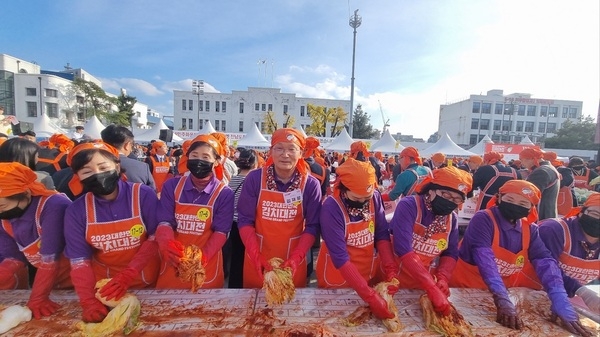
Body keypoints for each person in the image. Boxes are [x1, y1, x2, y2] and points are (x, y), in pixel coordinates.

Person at [450, 180, 591, 336]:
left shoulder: (529, 228)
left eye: (523, 202)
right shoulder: (484, 219)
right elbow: (485, 258)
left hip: (497, 296)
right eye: (509, 199)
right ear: (498, 198)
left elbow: (545, 262)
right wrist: (501, 298)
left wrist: (559, 297)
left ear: (531, 207)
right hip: (464, 289)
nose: (515, 205)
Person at [64, 142, 160, 323]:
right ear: (78, 177)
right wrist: (88, 301)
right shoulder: (77, 210)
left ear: (116, 166)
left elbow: (155, 238)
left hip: (148, 283)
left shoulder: (143, 195)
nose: (97, 174)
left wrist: (129, 274)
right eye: (87, 171)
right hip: (107, 292)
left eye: (103, 167)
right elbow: (79, 261)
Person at [237, 128, 322, 288]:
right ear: (271, 151)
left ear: (301, 153)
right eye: (279, 148)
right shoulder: (254, 179)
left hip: (292, 264)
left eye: (292, 149)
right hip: (258, 259)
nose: (285, 154)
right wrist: (256, 256)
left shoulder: (311, 185)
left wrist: (297, 258)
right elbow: (245, 221)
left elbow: (312, 226)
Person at [316, 158, 397, 319]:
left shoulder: (374, 197)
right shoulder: (331, 208)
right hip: (337, 277)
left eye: (366, 199)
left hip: (366, 274)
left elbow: (381, 234)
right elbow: (340, 257)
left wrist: (390, 268)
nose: (363, 203)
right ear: (344, 189)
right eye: (357, 199)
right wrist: (370, 297)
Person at [390, 166, 472, 316]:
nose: (450, 202)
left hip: (423, 287)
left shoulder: (451, 218)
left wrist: (443, 278)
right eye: (445, 195)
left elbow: (451, 252)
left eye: (456, 199)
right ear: (432, 190)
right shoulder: (409, 205)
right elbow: (403, 248)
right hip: (394, 280)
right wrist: (431, 287)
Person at [154, 134, 234, 289]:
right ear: (187, 157)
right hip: (174, 261)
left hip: (206, 264)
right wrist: (167, 245)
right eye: (194, 155)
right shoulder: (172, 186)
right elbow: (164, 221)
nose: (199, 161)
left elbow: (221, 231)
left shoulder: (224, 193)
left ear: (216, 161)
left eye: (206, 157)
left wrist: (201, 258)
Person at [0, 163, 72, 319]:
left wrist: (38, 297)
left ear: (25, 193)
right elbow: (13, 260)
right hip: (51, 286)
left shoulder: (53, 206)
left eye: (2, 205)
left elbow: (50, 258)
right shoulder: (6, 218)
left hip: (80, 278)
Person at [538, 193, 600, 314]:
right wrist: (581, 291)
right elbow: (546, 267)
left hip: (568, 299)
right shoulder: (554, 230)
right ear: (581, 212)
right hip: (531, 291)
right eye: (595, 214)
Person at [224, 148, 259, 288]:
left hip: (233, 224)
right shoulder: (253, 181)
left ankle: (234, 286)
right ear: (255, 163)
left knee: (235, 258)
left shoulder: (233, 180)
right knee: (247, 257)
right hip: (247, 225)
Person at [101, 125, 156, 191]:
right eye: (131, 145)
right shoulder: (142, 167)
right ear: (127, 145)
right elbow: (152, 194)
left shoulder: (91, 166)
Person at [521, 148, 561, 220]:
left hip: (540, 214)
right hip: (548, 212)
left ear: (531, 159)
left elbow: (529, 194)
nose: (522, 163)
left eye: (521, 159)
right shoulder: (549, 168)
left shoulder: (542, 171)